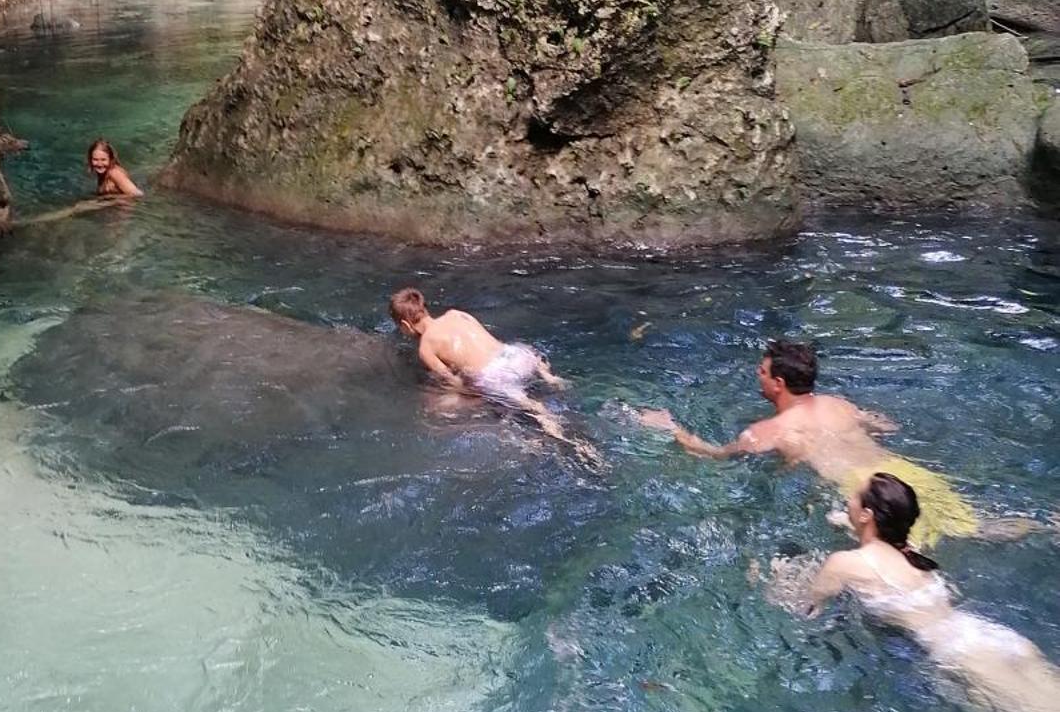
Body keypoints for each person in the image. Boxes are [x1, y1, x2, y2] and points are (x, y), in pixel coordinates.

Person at [788, 471, 1060, 712]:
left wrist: (776, 576)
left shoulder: (843, 563)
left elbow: (806, 610)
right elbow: (880, 542)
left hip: (963, 657)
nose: (848, 499)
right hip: (991, 636)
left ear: (867, 514)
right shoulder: (911, 552)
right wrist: (850, 522)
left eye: (854, 497)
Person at [634, 337, 984, 547]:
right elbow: (887, 426)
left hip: (865, 495)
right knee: (976, 529)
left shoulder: (765, 433)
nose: (758, 376)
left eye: (762, 372)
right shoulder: (841, 404)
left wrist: (670, 428)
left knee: (909, 556)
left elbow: (714, 456)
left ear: (778, 383)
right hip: (902, 473)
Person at [388, 287, 596, 461]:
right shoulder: (456, 314)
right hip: (517, 355)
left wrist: (471, 397)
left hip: (497, 375)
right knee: (525, 374)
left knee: (534, 410)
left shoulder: (425, 347)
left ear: (405, 325)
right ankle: (551, 378)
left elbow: (453, 381)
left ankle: (572, 443)